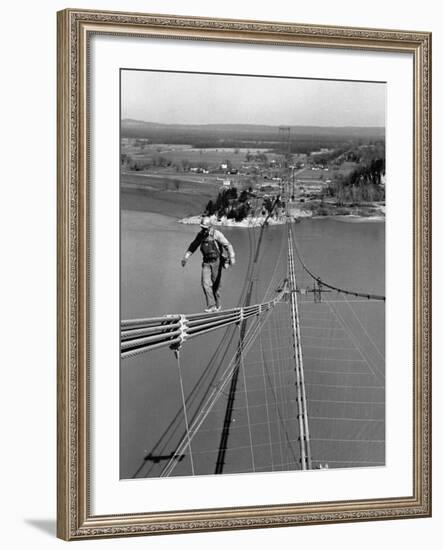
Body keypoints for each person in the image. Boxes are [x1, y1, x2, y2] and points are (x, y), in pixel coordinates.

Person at [181, 216, 235, 312]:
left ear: (210, 227)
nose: (203, 230)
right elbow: (193, 246)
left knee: (216, 286)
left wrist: (232, 257)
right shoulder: (200, 235)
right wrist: (186, 257)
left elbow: (228, 245)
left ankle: (218, 305)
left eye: (205, 228)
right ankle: (211, 305)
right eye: (202, 228)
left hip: (216, 262)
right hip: (206, 263)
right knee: (205, 284)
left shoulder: (216, 234)